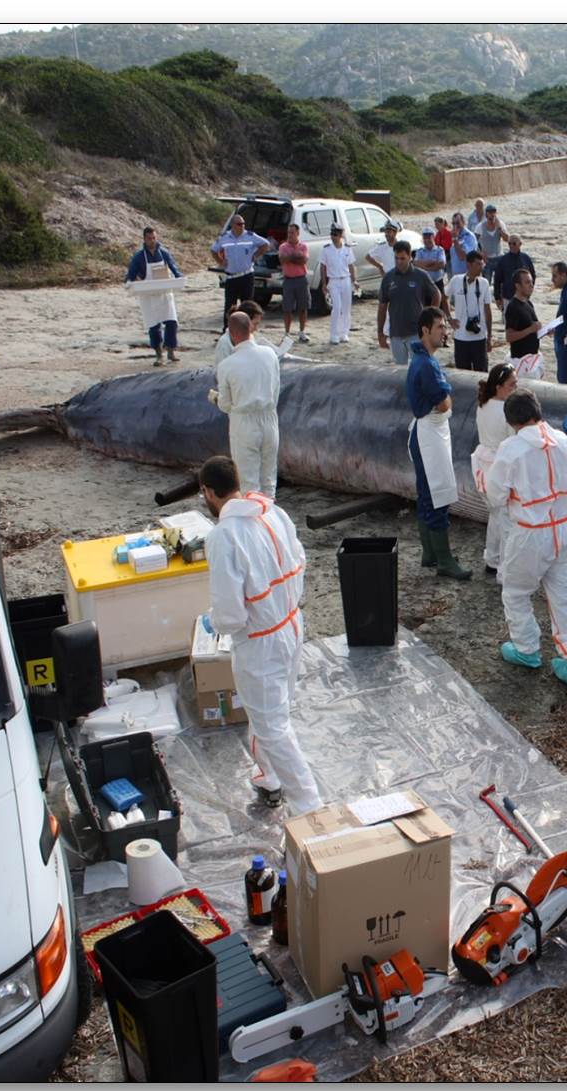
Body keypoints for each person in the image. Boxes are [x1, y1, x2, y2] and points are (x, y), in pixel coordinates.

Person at [199, 455, 323, 815]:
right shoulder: (273, 512)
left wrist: (215, 622)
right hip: (290, 623)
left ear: (208, 492)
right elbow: (300, 559)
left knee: (271, 725)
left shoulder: (223, 536)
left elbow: (230, 613)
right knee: (270, 710)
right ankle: (269, 775)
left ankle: (311, 807)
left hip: (260, 640)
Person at [483, 389, 567, 693]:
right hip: (566, 528)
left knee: (516, 591)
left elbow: (495, 495)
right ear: (538, 411)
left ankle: (527, 649)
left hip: (531, 533)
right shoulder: (564, 440)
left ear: (511, 422)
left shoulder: (511, 449)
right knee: (565, 595)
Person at [407, 308, 471, 580]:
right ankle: (443, 559)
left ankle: (430, 552)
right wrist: (446, 401)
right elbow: (444, 403)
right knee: (438, 494)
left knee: (427, 493)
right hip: (429, 434)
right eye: (439, 327)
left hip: (426, 431)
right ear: (425, 330)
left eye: (445, 326)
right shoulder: (427, 365)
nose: (445, 332)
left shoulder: (422, 360)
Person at [210, 312, 282, 499]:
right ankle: (269, 511)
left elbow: (225, 405)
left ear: (231, 334)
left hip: (244, 421)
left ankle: (254, 516)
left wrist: (216, 399)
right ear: (250, 328)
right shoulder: (269, 354)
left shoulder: (227, 365)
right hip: (269, 416)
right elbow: (276, 389)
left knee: (248, 482)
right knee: (269, 478)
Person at [471, 363, 517, 576]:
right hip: (499, 465)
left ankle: (492, 558)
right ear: (499, 387)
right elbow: (513, 441)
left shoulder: (483, 404)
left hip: (482, 462)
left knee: (496, 514)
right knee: (505, 517)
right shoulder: (507, 411)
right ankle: (504, 566)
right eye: (512, 384)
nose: (515, 388)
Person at [378, 240, 442, 367]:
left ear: (410, 257)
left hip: (416, 332)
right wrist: (380, 332)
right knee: (400, 369)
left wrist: (430, 317)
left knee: (420, 366)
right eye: (396, 258)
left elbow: (436, 294)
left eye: (402, 258)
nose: (399, 262)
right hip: (396, 332)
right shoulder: (388, 278)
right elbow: (382, 306)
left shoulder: (420, 275)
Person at [125, 226, 182, 365]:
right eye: (149, 238)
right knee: (154, 326)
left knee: (171, 323)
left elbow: (174, 268)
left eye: (154, 238)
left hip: (164, 293)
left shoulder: (164, 253)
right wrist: (130, 283)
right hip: (148, 296)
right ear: (144, 239)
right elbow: (130, 275)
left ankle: (171, 351)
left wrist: (179, 278)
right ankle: (159, 354)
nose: (152, 241)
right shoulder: (139, 257)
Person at [211, 214, 270, 329]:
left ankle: (247, 329)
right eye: (239, 224)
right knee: (229, 306)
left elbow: (265, 244)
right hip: (231, 277)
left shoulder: (250, 236)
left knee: (247, 306)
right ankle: (227, 330)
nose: (242, 226)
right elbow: (213, 250)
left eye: (243, 224)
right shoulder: (225, 237)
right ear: (233, 225)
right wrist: (220, 261)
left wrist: (256, 255)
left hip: (246, 276)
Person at [447, 249, 494, 372]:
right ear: (469, 264)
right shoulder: (456, 280)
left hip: (479, 337)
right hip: (461, 336)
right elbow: (444, 297)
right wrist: (449, 318)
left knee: (482, 373)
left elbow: (488, 310)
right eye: (478, 264)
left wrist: (489, 336)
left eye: (482, 264)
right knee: (462, 374)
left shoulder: (484, 283)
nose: (481, 267)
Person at [318, 224, 357, 344]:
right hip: (333, 280)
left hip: (346, 279)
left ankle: (344, 333)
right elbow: (322, 267)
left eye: (335, 234)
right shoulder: (326, 249)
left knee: (346, 308)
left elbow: (351, 265)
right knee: (337, 307)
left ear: (340, 235)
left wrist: (354, 280)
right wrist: (324, 283)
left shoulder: (347, 249)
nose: (333, 237)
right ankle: (334, 334)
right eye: (332, 234)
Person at [277, 222, 312, 343]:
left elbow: (303, 260)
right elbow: (282, 260)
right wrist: (295, 256)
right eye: (288, 233)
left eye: (292, 232)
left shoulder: (304, 246)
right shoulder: (283, 247)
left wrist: (290, 257)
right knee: (287, 308)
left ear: (298, 233)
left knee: (303, 307)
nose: (290, 235)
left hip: (301, 279)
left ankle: (302, 332)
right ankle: (287, 333)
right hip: (288, 280)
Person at [504, 269, 542, 362]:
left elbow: (532, 327)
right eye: (527, 282)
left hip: (532, 357)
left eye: (532, 282)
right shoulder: (513, 307)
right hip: (520, 359)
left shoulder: (528, 303)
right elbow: (509, 337)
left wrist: (545, 330)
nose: (531, 285)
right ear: (518, 286)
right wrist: (530, 330)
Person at [493, 234, 535, 317]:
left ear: (520, 244)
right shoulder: (503, 260)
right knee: (508, 322)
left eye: (514, 243)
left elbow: (532, 275)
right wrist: (497, 297)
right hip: (507, 297)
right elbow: (497, 280)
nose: (511, 246)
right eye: (509, 243)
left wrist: (530, 290)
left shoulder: (526, 258)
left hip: (524, 298)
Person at [476, 205, 509, 291]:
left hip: (499, 257)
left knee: (501, 283)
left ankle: (499, 297)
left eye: (493, 212)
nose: (492, 214)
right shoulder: (480, 226)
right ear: (486, 214)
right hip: (487, 259)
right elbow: (474, 242)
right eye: (490, 212)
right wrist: (480, 253)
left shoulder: (500, 224)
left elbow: (507, 239)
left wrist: (500, 229)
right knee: (486, 283)